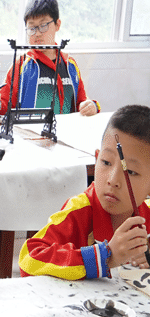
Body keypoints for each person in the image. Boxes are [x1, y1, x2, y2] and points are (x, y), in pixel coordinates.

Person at [19, 105, 150, 279]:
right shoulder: (78, 211)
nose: (113, 180)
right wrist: (106, 256)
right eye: (106, 162)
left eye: (130, 172)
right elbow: (28, 258)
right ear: (96, 159)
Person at [0, 0, 99, 117]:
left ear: (57, 25)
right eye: (32, 28)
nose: (37, 34)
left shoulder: (70, 64)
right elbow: (4, 108)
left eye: (43, 26)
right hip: (30, 130)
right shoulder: (20, 65)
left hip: (66, 129)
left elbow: (82, 102)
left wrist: (91, 106)